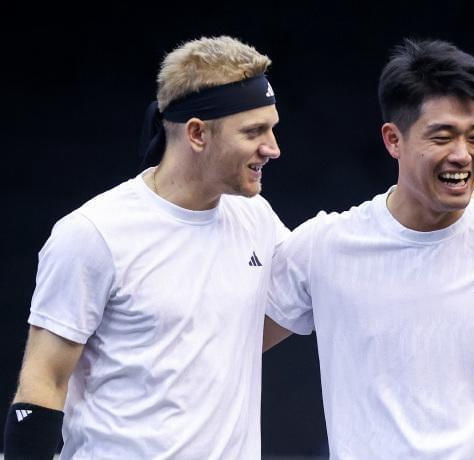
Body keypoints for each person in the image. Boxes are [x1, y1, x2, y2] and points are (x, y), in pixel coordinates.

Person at [263, 39, 474, 459]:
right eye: (443, 137)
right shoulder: (323, 247)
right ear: (393, 140)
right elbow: (227, 346)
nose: (463, 155)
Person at [4, 36, 287, 459]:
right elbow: (44, 382)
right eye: (253, 132)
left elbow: (292, 304)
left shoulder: (257, 219)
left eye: (272, 128)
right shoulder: (93, 233)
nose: (273, 148)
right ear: (197, 133)